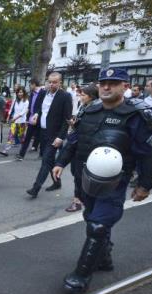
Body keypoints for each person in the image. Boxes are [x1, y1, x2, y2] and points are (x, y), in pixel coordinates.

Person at [52, 68, 152, 294]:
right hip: (84, 178)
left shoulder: (137, 115)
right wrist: (61, 162)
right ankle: (104, 258)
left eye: (113, 83)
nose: (106, 87)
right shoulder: (89, 110)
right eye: (103, 82)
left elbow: (150, 152)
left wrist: (145, 185)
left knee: (99, 224)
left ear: (125, 86)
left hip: (115, 182)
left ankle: (80, 277)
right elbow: (75, 140)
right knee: (90, 218)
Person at [26, 72, 72, 198]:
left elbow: (66, 120)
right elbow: (39, 108)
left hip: (55, 135)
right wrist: (36, 114)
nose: (51, 84)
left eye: (54, 82)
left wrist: (61, 137)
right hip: (42, 132)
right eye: (49, 82)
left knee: (45, 160)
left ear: (60, 82)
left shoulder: (65, 96)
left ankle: (35, 188)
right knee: (50, 161)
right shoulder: (43, 93)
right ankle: (57, 183)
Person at [64, 84, 100, 213]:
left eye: (83, 95)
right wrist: (74, 125)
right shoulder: (84, 106)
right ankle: (81, 196)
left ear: (91, 97)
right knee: (76, 173)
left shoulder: (97, 109)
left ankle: (78, 200)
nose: (80, 96)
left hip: (88, 148)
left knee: (81, 175)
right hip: (78, 144)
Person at [16, 79, 45, 161]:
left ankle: (41, 155)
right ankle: (21, 155)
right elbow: (30, 106)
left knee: (40, 137)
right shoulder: (32, 93)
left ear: (34, 84)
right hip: (31, 118)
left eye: (30, 85)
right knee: (27, 137)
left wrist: (37, 114)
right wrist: (28, 117)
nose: (29, 86)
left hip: (39, 119)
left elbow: (43, 106)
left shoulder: (43, 93)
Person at [0, 86, 28, 156]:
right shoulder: (15, 100)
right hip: (14, 122)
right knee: (10, 135)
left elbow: (23, 113)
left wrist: (15, 118)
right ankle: (5, 150)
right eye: (18, 92)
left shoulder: (26, 101)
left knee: (21, 137)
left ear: (24, 93)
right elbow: (11, 108)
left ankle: (22, 151)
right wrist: (8, 116)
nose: (20, 94)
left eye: (21, 92)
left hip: (22, 122)